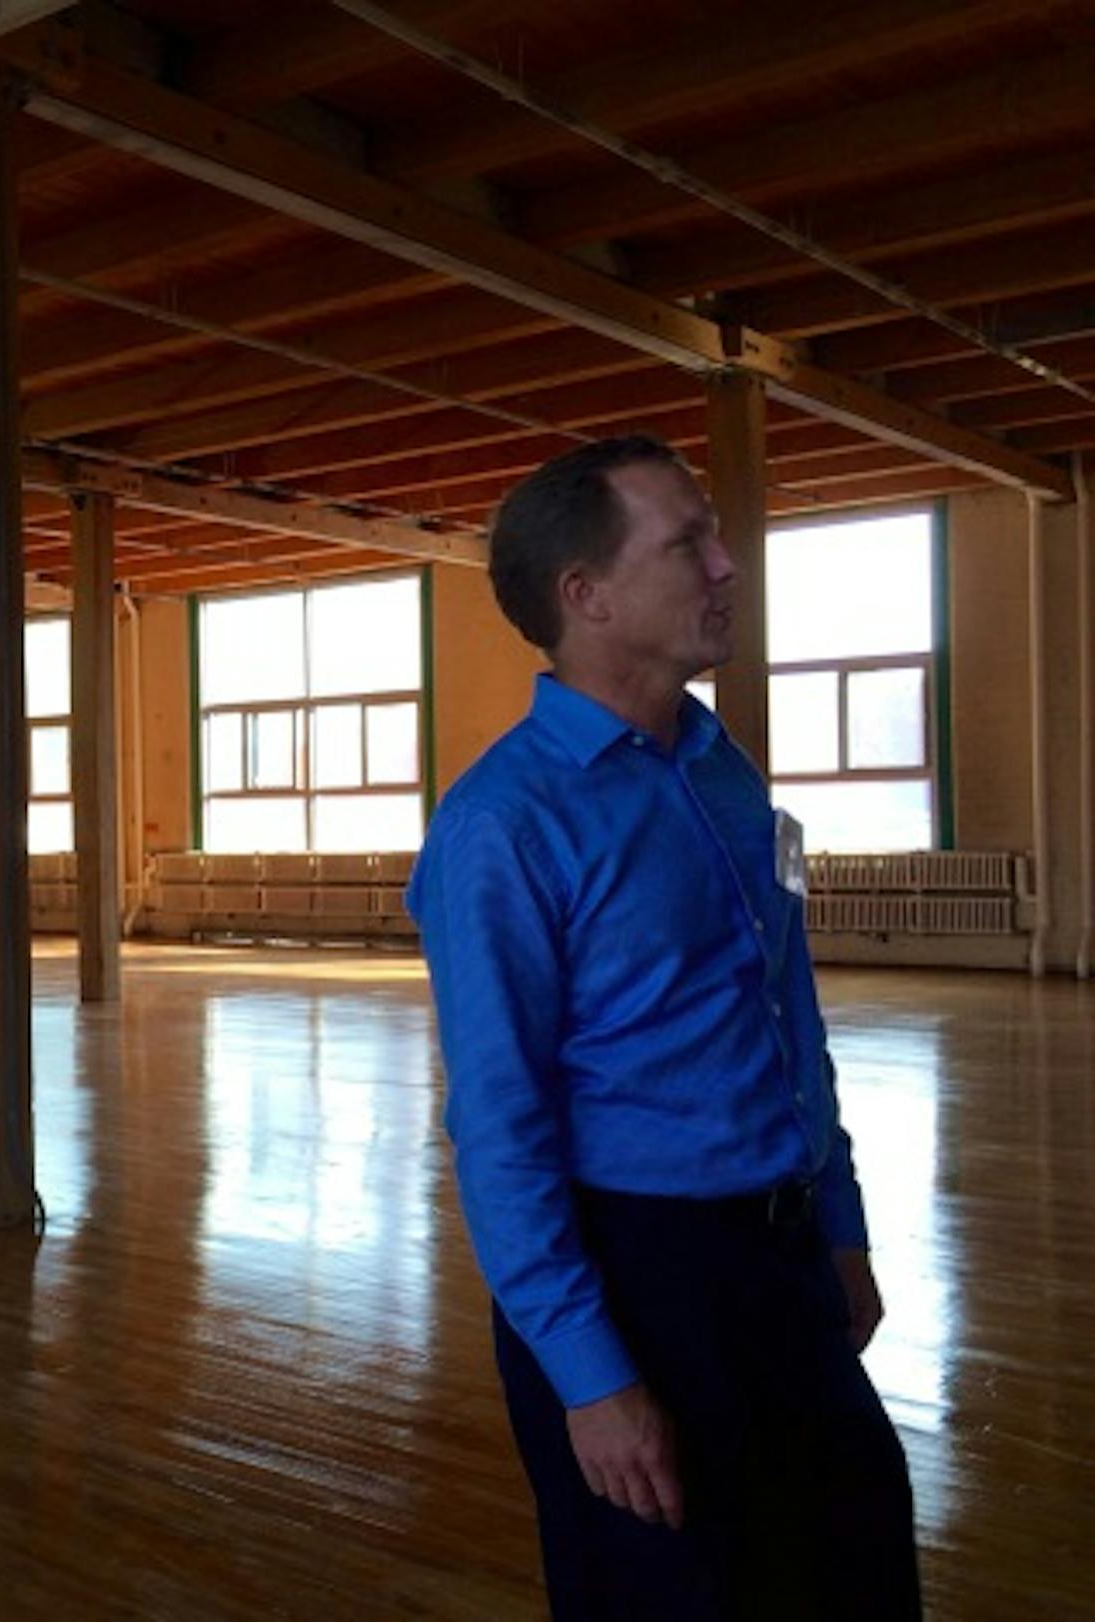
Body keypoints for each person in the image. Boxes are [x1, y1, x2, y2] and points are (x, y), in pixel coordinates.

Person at [405, 437, 921, 1620]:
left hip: (782, 1261)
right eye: (687, 540)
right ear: (586, 596)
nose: (728, 564)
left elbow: (789, 1018)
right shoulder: (505, 824)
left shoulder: (720, 769)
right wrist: (590, 1376)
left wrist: (836, 1225)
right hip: (637, 1279)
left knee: (855, 1573)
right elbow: (499, 1122)